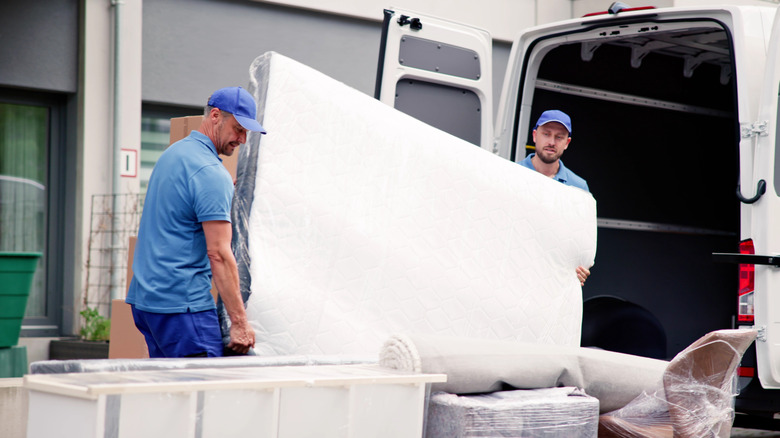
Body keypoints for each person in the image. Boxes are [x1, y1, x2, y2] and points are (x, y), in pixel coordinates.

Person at [126, 86, 265, 357]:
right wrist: (239, 323)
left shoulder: (174, 155)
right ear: (215, 116)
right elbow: (219, 254)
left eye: (247, 132)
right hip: (183, 307)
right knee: (202, 395)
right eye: (238, 128)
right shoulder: (211, 173)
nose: (243, 139)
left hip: (147, 302)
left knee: (169, 394)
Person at [520, 109, 591, 286]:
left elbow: (582, 240)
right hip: (517, 276)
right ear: (535, 136)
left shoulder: (579, 187)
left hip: (553, 285)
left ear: (567, 143)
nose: (551, 142)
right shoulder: (512, 174)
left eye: (559, 137)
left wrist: (582, 268)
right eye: (546, 134)